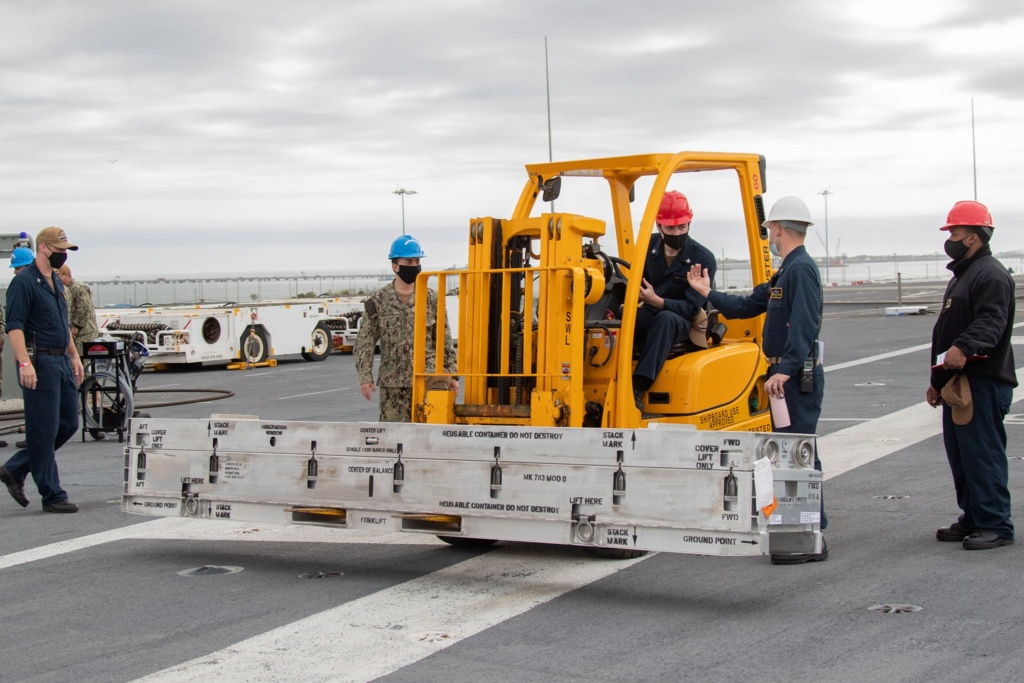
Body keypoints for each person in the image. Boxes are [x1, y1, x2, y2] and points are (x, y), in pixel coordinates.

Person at [688, 196, 827, 564]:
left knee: (800, 455)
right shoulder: (786, 271)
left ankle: (810, 536)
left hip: (796, 377)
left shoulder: (800, 270)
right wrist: (707, 293)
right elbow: (747, 305)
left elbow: (804, 325)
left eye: (770, 230)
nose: (769, 235)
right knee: (790, 454)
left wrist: (786, 369)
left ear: (778, 228)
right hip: (787, 376)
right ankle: (798, 533)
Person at [926, 200, 1015, 550]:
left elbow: (991, 321)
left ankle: (996, 524)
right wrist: (937, 383)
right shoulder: (965, 275)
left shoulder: (990, 274)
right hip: (959, 383)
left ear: (974, 237)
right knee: (962, 454)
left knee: (983, 453)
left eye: (955, 232)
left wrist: (964, 346)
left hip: (982, 382)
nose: (950, 237)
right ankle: (975, 516)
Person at [0, 227, 85, 513]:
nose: (63, 254)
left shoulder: (56, 283)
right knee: (43, 430)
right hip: (40, 362)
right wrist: (24, 362)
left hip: (61, 360)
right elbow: (14, 326)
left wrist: (74, 355)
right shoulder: (24, 283)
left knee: (68, 423)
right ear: (44, 248)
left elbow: (62, 324)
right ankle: (52, 495)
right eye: (60, 249)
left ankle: (15, 467)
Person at [354, 235, 458, 422]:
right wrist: (365, 377)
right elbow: (365, 342)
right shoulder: (378, 301)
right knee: (393, 438)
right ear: (395, 266)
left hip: (429, 380)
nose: (414, 265)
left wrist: (452, 374)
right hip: (393, 384)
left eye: (417, 261)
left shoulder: (431, 299)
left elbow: (444, 339)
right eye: (408, 261)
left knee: (431, 433)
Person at [632, 190, 716, 410]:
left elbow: (690, 308)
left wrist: (657, 301)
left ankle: (638, 386)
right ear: (659, 226)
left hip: (682, 320)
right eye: (670, 228)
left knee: (666, 319)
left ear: (689, 223)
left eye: (682, 227)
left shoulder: (702, 258)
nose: (677, 232)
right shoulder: (645, 247)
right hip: (650, 310)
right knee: (621, 317)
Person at [57, 264, 100, 356]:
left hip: (85, 333)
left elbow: (84, 308)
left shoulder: (78, 288)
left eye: (58, 275)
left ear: (66, 275)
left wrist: (76, 326)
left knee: (82, 360)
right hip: (76, 333)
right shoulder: (66, 289)